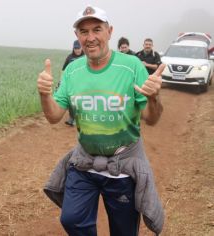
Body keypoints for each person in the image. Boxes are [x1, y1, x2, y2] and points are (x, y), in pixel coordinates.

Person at [37, 5, 165, 236]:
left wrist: (154, 98)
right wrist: (44, 95)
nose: (91, 37)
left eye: (97, 29)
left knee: (124, 231)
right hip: (85, 162)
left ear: (110, 31)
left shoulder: (131, 66)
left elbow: (151, 119)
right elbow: (54, 116)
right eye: (84, 32)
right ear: (77, 36)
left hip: (123, 166)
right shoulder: (73, 71)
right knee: (71, 219)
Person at [62, 40, 84, 126]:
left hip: (83, 82)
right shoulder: (69, 57)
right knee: (71, 100)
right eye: (75, 48)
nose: (77, 50)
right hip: (72, 83)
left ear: (81, 47)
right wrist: (62, 80)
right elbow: (64, 70)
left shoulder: (86, 57)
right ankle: (72, 118)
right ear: (73, 48)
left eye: (78, 48)